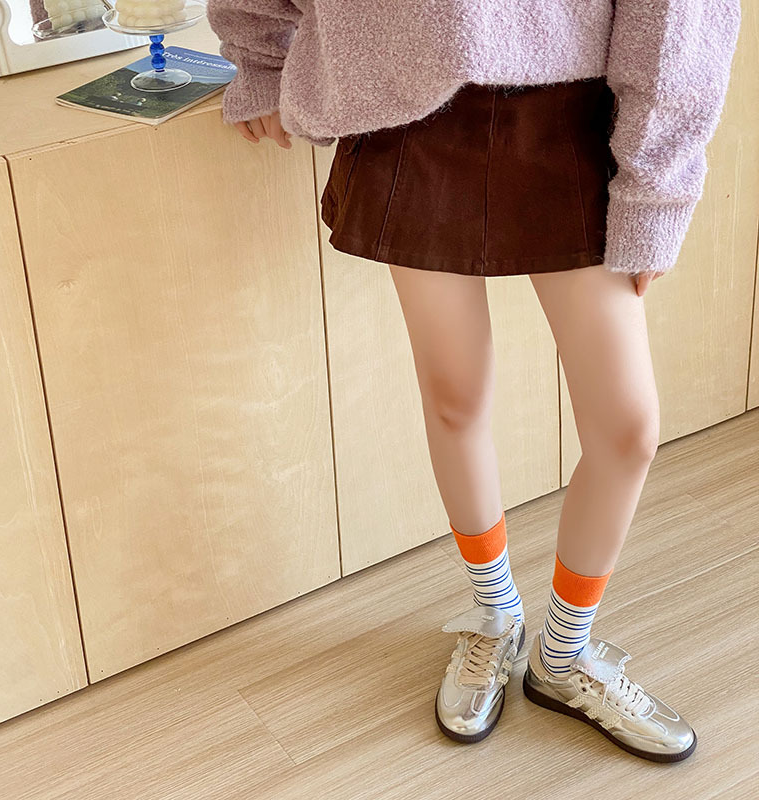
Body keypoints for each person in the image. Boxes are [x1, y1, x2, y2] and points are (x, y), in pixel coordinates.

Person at [205, 0, 741, 762]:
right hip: (406, 103)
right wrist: (258, 52)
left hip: (570, 111)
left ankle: (562, 654)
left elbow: (680, 19)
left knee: (627, 429)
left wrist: (657, 187)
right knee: (454, 396)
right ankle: (496, 616)